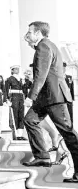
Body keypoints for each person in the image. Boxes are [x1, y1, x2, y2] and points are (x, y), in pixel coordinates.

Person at [22, 21, 78, 183]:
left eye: (30, 32)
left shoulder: (44, 47)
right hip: (46, 97)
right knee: (30, 120)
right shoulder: (47, 45)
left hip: (54, 97)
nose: (28, 35)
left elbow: (41, 74)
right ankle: (42, 157)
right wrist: (31, 44)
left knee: (68, 133)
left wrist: (30, 96)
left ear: (38, 33)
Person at [5, 65, 27, 140]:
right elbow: (6, 90)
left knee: (21, 115)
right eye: (15, 69)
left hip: (21, 97)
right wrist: (7, 99)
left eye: (18, 69)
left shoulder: (21, 79)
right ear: (12, 70)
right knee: (15, 116)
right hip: (14, 97)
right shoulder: (9, 79)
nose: (17, 70)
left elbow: (24, 90)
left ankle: (20, 134)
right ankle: (16, 135)